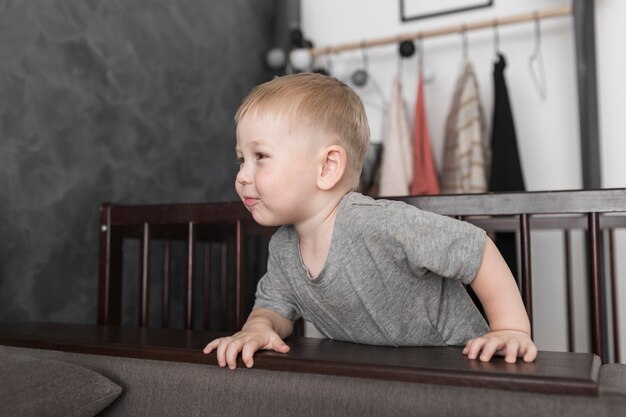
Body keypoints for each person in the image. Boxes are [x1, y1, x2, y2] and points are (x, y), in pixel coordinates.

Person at [203, 73, 537, 369]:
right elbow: (274, 307)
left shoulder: (378, 224)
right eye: (240, 159)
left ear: (327, 167)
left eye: (259, 157)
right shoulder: (284, 248)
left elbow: (476, 249)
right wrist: (258, 327)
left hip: (457, 365)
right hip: (376, 374)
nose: (242, 176)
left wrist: (510, 329)